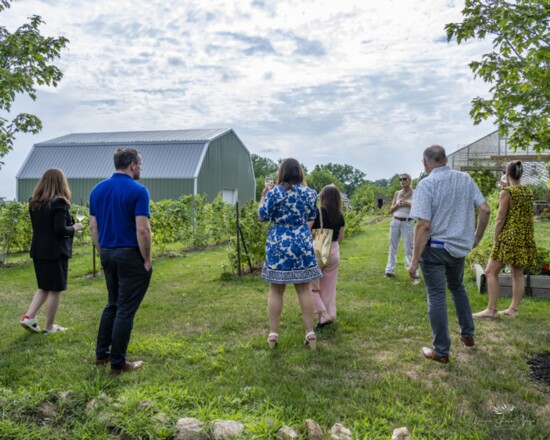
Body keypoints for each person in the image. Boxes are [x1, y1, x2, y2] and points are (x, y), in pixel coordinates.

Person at [408, 145, 490, 364]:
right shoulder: (465, 179)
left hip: (434, 249)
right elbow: (485, 209)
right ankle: (468, 335)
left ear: (425, 162)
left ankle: (441, 351)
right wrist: (476, 238)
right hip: (458, 250)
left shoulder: (427, 184)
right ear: (445, 159)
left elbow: (423, 225)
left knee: (436, 296)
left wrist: (414, 262)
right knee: (457, 287)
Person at [89, 148, 152, 375]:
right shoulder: (138, 191)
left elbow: (93, 227)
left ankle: (101, 354)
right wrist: (146, 259)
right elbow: (142, 229)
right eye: (141, 164)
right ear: (133, 165)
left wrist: (102, 251)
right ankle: (118, 363)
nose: (141, 169)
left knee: (112, 303)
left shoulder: (97, 190)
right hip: (129, 254)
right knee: (125, 309)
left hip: (107, 252)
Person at [258, 158, 322, 350]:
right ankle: (310, 332)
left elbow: (262, 216)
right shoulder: (310, 193)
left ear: (282, 173)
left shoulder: (274, 193)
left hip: (278, 242)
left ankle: (273, 334)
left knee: (276, 290)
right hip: (301, 241)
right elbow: (312, 216)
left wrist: (263, 196)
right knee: (304, 289)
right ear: (300, 173)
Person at [20, 169, 83, 334]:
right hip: (55, 253)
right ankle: (49, 327)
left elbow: (46, 226)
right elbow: (60, 229)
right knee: (56, 289)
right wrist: (75, 227)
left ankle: (29, 318)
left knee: (44, 287)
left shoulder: (34, 202)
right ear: (61, 183)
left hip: (38, 250)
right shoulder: (59, 202)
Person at [473, 161, 538, 319]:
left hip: (508, 237)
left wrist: (496, 238)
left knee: (490, 271)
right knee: (517, 274)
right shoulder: (527, 192)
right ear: (520, 174)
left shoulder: (506, 192)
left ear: (507, 174)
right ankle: (513, 310)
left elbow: (500, 219)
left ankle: (491, 310)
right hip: (523, 237)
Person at [308, 184, 345, 329]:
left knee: (310, 286)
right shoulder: (340, 215)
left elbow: (307, 230)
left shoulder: (317, 212)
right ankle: (330, 314)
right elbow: (341, 237)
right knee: (329, 287)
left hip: (318, 249)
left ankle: (323, 314)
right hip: (334, 249)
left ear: (323, 197)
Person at [385, 173, 416, 281]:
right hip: (395, 221)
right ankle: (389, 270)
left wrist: (408, 204)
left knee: (409, 248)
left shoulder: (415, 193)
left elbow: (419, 208)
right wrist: (398, 205)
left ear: (409, 180)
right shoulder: (397, 193)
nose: (402, 181)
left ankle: (412, 271)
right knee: (393, 247)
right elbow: (391, 210)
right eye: (401, 179)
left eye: (405, 179)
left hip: (407, 222)